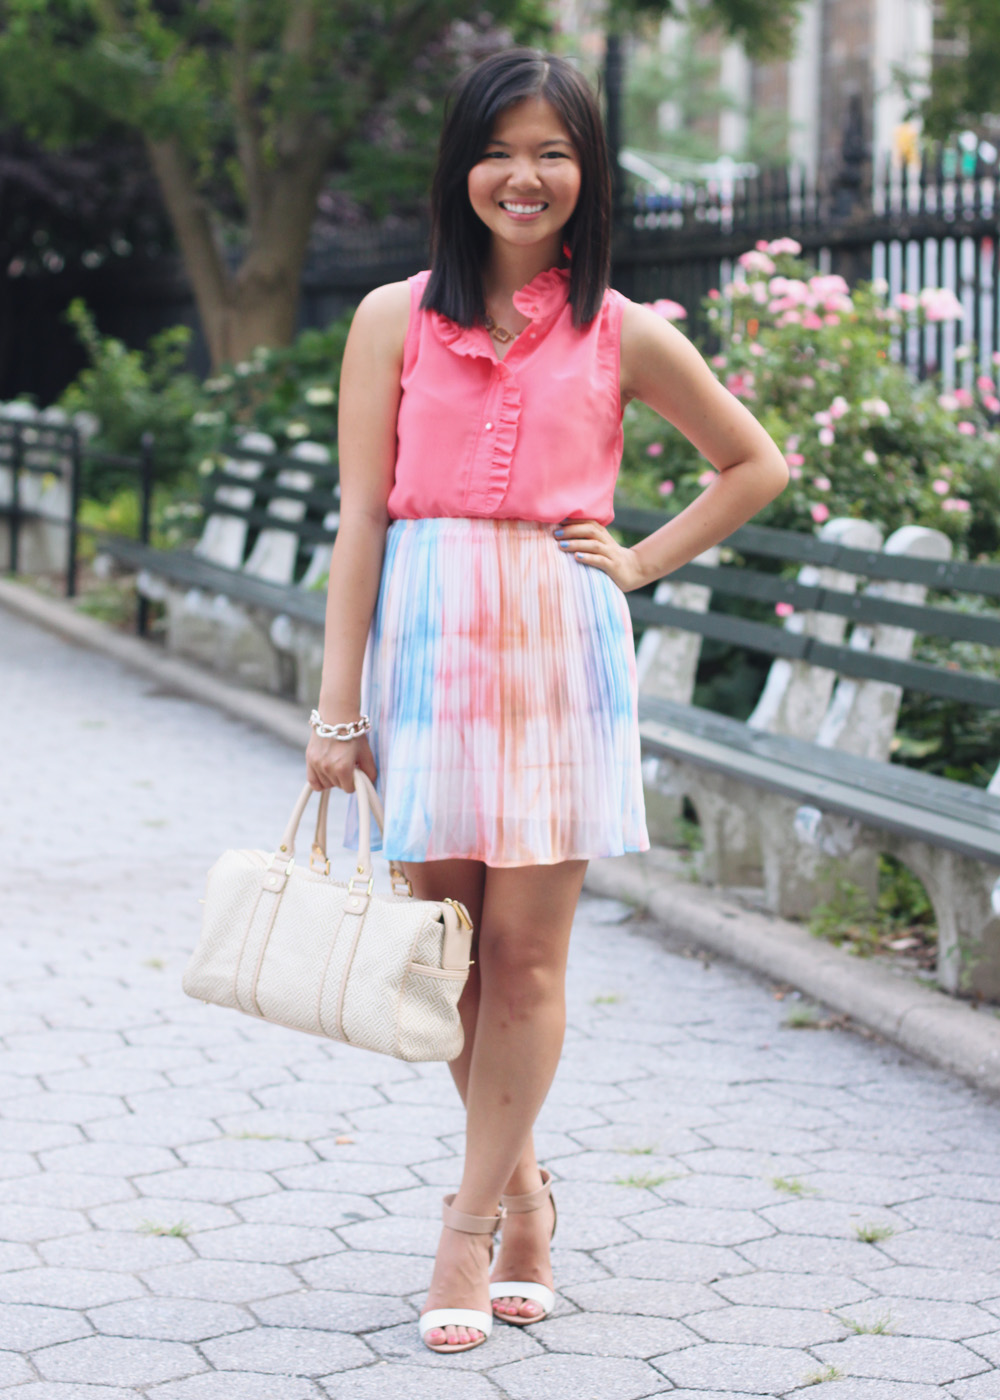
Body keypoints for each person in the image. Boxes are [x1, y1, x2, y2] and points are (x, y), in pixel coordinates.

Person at [305, 48, 788, 1356]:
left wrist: (636, 560)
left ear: (588, 174)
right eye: (501, 149)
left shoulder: (622, 329)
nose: (526, 176)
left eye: (554, 153)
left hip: (556, 647)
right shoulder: (391, 320)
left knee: (524, 956)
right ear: (460, 167)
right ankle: (524, 1192)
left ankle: (469, 1233)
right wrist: (336, 710)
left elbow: (753, 463)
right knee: (446, 956)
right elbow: (359, 516)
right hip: (422, 634)